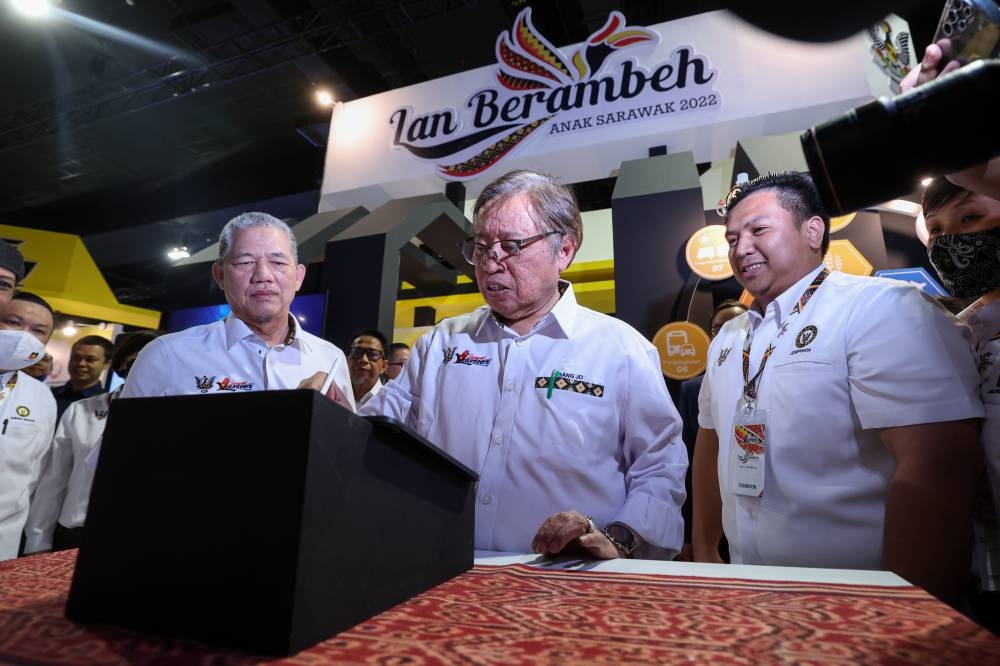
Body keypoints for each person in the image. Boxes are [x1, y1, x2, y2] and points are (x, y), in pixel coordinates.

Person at [354, 169, 688, 558]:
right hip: (444, 571)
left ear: (564, 250)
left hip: (570, 580)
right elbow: (376, 434)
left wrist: (620, 537)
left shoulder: (621, 349)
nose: (490, 263)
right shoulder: (440, 344)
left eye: (511, 246)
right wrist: (334, 416)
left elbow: (659, 467)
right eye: (481, 247)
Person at [692, 171, 983, 606]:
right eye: (732, 238)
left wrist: (908, 611)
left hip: (860, 601)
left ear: (813, 230)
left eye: (758, 230)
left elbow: (938, 468)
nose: (741, 248)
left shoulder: (881, 309)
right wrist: (704, 550)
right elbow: (710, 443)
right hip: (748, 590)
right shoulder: (729, 337)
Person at [122, 212, 353, 408]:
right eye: (245, 262)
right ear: (220, 276)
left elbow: (345, 453)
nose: (263, 275)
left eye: (278, 263)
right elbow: (116, 455)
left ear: (299, 277)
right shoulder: (165, 356)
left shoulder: (331, 359)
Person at [923, 177, 1000, 629]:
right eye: (936, 230)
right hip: (976, 570)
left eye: (972, 217)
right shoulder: (955, 333)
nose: (952, 242)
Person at [24, 331, 159, 553]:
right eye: (136, 361)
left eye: (156, 361)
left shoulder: (177, 413)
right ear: (121, 364)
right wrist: (38, 541)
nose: (146, 368)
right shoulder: (80, 410)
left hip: (140, 535)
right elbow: (54, 480)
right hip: (76, 532)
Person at [676, 299, 747, 561]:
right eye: (719, 328)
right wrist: (693, 539)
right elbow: (692, 465)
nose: (730, 332)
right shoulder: (693, 389)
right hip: (716, 526)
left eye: (736, 324)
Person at [0, 291, 57, 560]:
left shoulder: (42, 396)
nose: (24, 335)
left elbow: (38, 476)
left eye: (38, 330)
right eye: (12, 322)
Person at [51, 335, 112, 422]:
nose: (81, 363)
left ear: (107, 364)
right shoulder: (49, 396)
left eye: (90, 360)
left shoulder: (108, 404)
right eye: (76, 357)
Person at [347, 329, 388, 408]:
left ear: (383, 366)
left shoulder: (390, 403)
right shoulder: (335, 393)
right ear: (347, 360)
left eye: (372, 354)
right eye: (356, 352)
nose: (363, 360)